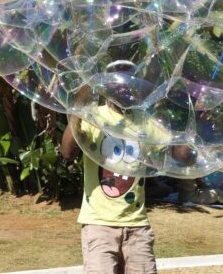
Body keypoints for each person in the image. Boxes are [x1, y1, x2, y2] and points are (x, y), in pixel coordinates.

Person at [61, 60, 162, 273]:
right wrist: (81, 101)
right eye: (115, 80)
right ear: (105, 86)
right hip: (99, 225)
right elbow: (68, 152)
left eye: (127, 79)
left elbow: (178, 154)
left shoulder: (145, 122)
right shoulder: (92, 116)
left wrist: (188, 118)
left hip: (137, 226)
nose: (122, 85)